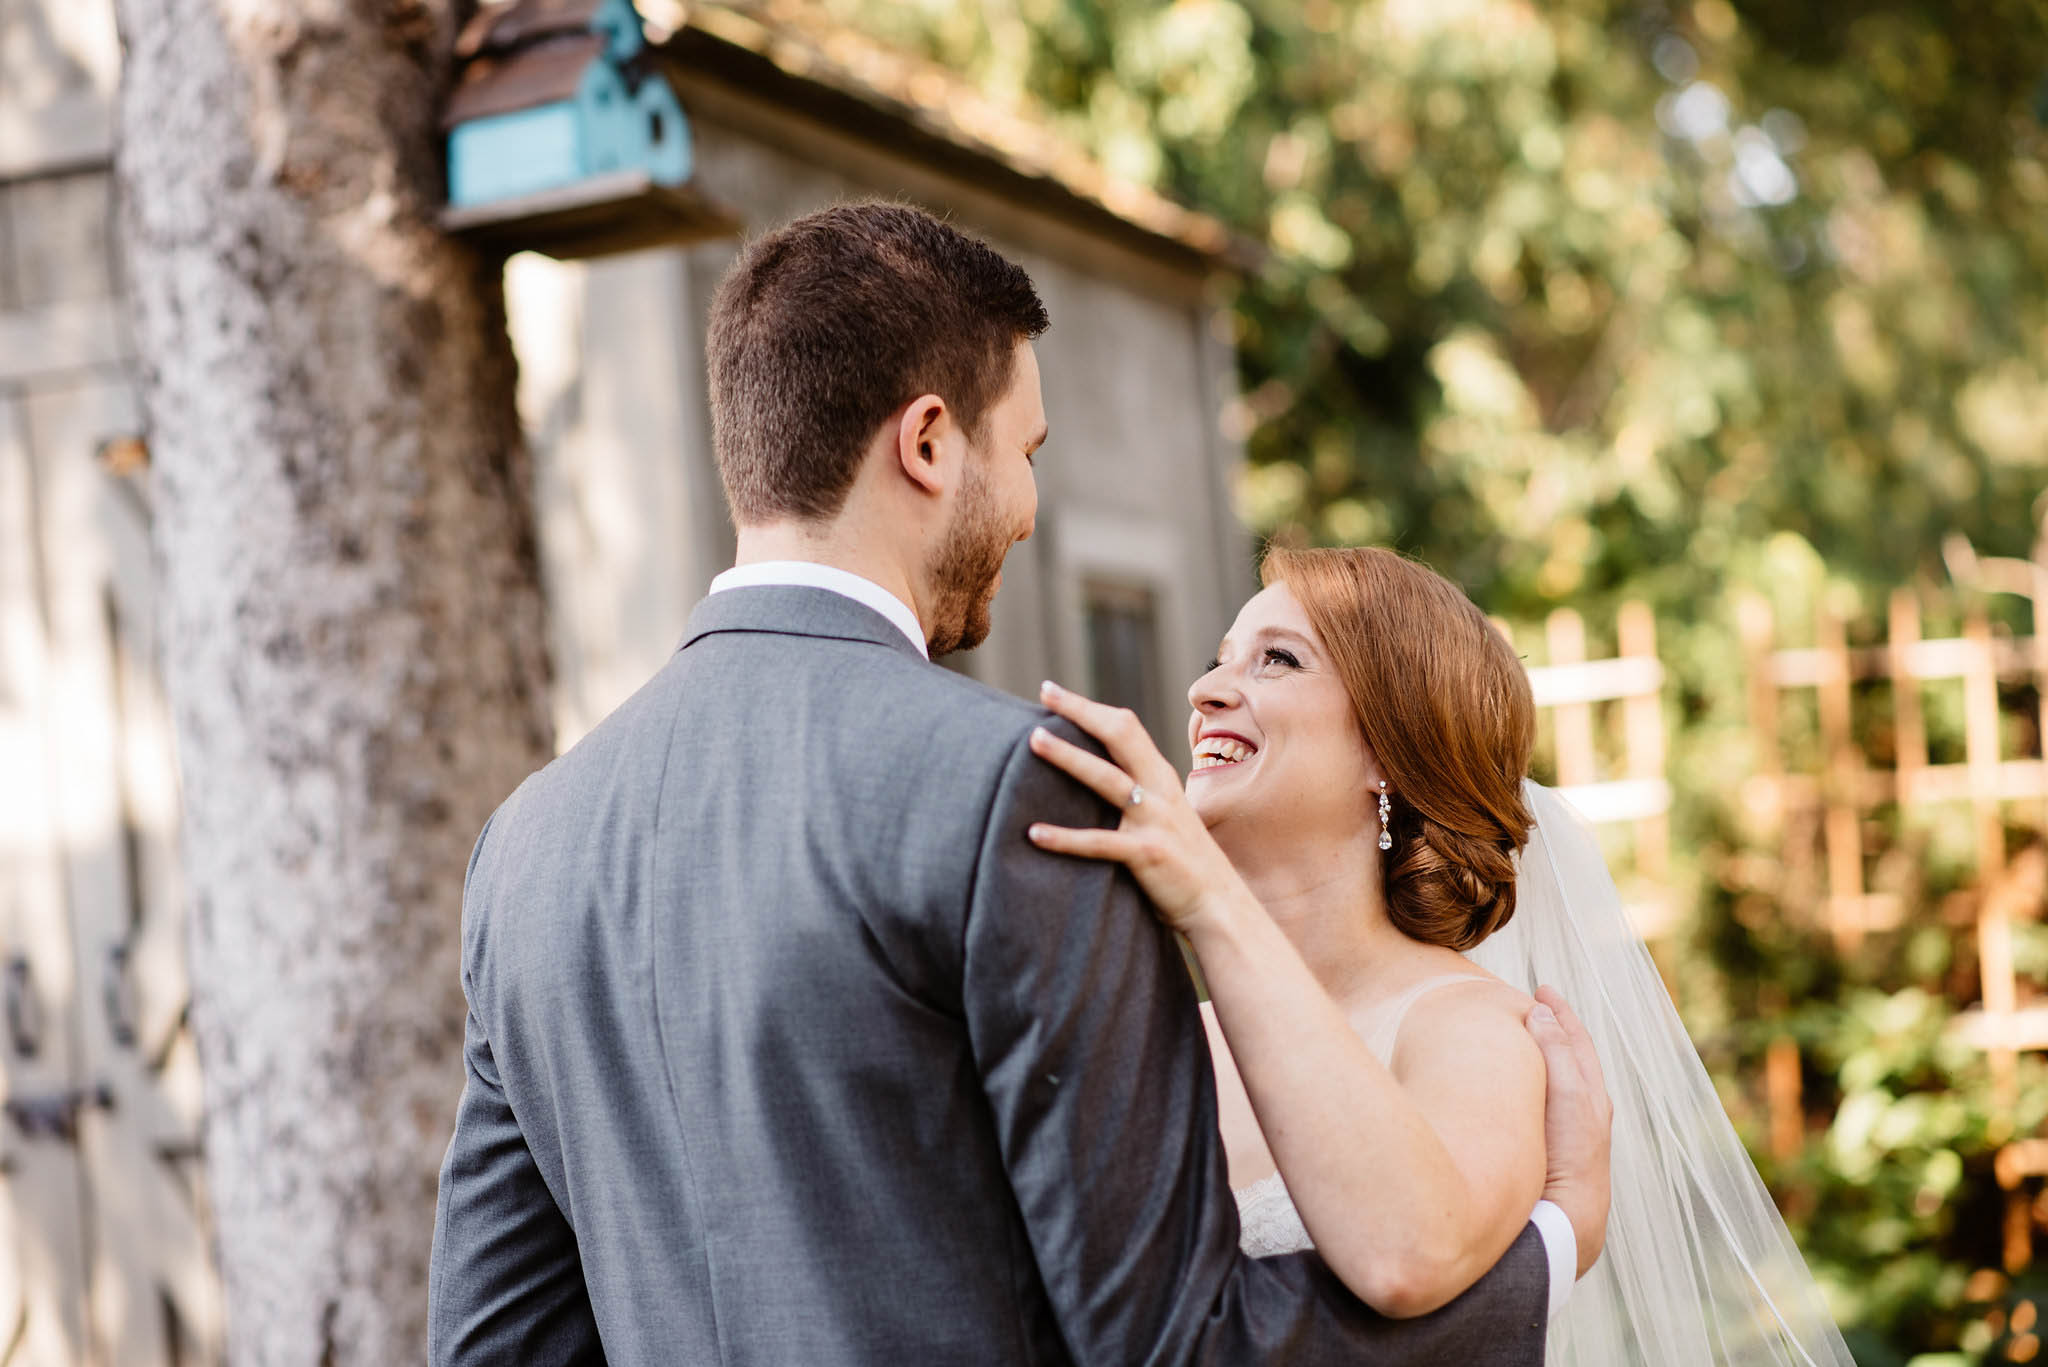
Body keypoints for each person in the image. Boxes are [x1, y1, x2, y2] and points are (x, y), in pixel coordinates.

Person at [426, 201, 1611, 1365]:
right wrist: (1552, 1243)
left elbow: (491, 1339)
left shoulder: (525, 844)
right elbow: (1167, 1342)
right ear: (930, 442)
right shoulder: (1017, 792)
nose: (1032, 510)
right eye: (1026, 452)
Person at [1027, 544, 1856, 1365]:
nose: (1204, 691)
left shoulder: (1471, 1030)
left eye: (1277, 659)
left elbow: (1405, 1256)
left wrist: (1209, 897)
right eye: (1219, 660)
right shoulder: (1163, 1035)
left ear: (1389, 751)